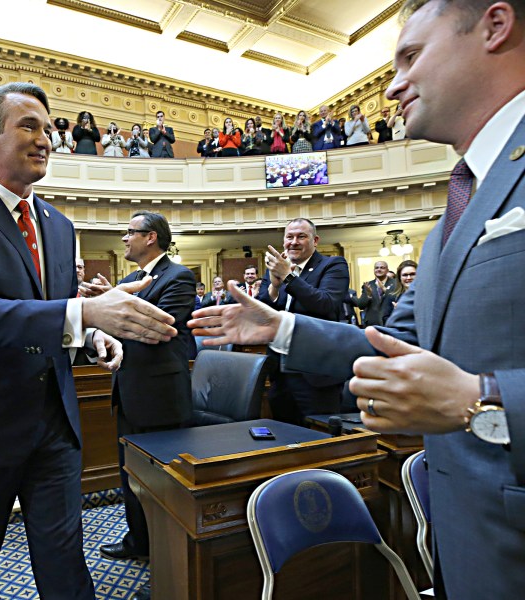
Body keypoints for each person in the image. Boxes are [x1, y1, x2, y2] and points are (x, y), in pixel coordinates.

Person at [190, 2, 525, 597]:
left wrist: (487, 399)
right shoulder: (461, 204)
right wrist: (280, 330)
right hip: (472, 545)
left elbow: (468, 394)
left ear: (495, 28)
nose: (392, 86)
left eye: (411, 56)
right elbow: (391, 347)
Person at [0, 82, 179, 600]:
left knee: (66, 564)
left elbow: (54, 315)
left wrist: (92, 335)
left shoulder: (59, 225)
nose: (45, 139)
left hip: (53, 424)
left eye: (49, 129)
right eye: (28, 126)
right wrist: (86, 311)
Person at [98, 211, 196, 600]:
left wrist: (112, 306)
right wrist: (104, 304)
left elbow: (162, 328)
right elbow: (108, 325)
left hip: (161, 397)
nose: (124, 239)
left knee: (161, 483)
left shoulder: (179, 277)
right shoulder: (127, 282)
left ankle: (168, 560)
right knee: (130, 475)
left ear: (151, 237)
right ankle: (138, 540)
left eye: (130, 233)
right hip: (127, 390)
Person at [256, 218, 349, 425]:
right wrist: (273, 286)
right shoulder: (275, 269)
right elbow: (262, 312)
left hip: (316, 374)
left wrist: (287, 277)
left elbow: (325, 303)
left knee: (319, 439)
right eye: (289, 237)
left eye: (301, 236)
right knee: (284, 434)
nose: (294, 242)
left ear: (315, 240)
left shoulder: (333, 265)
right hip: (280, 370)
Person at [353, 260, 395, 327]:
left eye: (382, 267)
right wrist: (368, 295)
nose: (379, 269)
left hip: (390, 323)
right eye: (377, 268)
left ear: (387, 270)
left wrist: (386, 291)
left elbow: (397, 300)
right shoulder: (368, 285)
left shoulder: (396, 284)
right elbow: (361, 305)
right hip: (372, 324)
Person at [382, 260, 417, 324]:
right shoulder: (392, 296)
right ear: (400, 278)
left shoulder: (426, 296)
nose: (408, 278)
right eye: (405, 275)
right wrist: (397, 313)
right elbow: (385, 321)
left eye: (412, 274)